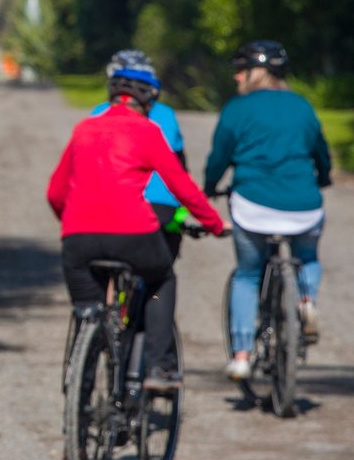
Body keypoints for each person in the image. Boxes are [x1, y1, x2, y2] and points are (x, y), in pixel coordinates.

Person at [48, 63, 226, 391]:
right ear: (148, 101)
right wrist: (213, 224)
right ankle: (159, 366)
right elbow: (181, 186)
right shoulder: (147, 131)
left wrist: (75, 225)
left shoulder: (84, 129)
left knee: (89, 310)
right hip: (134, 237)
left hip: (78, 241)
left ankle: (81, 389)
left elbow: (55, 192)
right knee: (161, 280)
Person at [203, 40, 332, 382]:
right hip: (304, 205)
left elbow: (219, 157)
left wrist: (208, 187)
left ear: (255, 73)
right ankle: (306, 299)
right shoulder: (302, 107)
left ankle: (242, 355)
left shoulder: (237, 109)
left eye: (241, 70)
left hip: (253, 207)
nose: (236, 77)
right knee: (309, 258)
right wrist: (324, 177)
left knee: (247, 273)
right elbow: (320, 151)